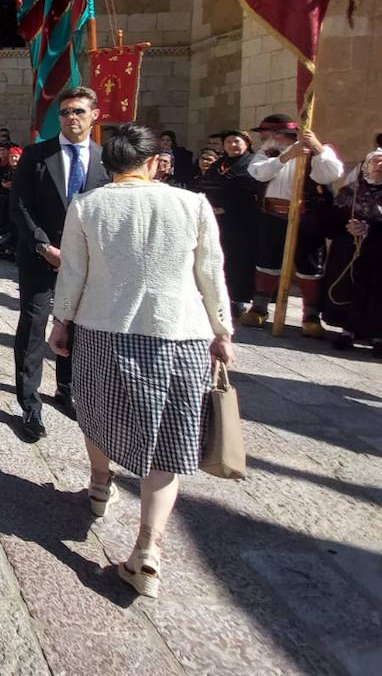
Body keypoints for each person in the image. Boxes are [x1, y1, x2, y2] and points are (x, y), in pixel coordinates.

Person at [48, 123, 235, 600]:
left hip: (104, 327)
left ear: (109, 165)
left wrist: (61, 321)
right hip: (180, 333)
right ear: (155, 162)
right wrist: (222, 330)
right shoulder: (191, 204)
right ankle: (147, 550)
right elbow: (211, 270)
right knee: (170, 439)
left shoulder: (87, 205)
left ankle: (98, 483)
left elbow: (73, 273)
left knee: (94, 408)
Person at [11, 85, 110, 442]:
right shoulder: (37, 155)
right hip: (41, 257)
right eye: (65, 112)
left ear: (94, 115)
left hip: (86, 264)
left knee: (75, 326)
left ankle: (66, 387)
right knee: (34, 325)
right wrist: (43, 246)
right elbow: (19, 206)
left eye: (78, 111)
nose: (71, 118)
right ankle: (29, 401)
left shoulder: (105, 160)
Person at [238, 114, 344, 336]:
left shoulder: (319, 151)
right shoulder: (266, 153)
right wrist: (286, 157)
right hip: (272, 216)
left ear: (278, 134)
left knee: (310, 267)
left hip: (307, 218)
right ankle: (259, 308)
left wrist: (316, 148)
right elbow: (258, 173)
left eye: (265, 133)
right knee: (267, 262)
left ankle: (311, 316)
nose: (262, 137)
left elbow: (331, 174)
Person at [322, 148, 382, 354]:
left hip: (378, 251)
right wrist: (348, 227)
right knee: (349, 287)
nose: (379, 166)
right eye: (375, 162)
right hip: (348, 249)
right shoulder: (349, 191)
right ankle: (348, 330)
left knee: (376, 291)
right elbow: (332, 220)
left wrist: (371, 228)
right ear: (365, 166)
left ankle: (377, 334)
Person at [199, 130, 259, 316]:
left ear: (246, 143)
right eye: (229, 142)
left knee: (238, 260)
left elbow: (251, 191)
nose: (232, 145)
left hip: (241, 220)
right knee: (218, 258)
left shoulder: (252, 163)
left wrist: (228, 207)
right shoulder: (219, 163)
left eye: (236, 141)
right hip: (217, 218)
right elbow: (207, 183)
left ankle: (238, 299)